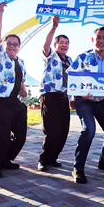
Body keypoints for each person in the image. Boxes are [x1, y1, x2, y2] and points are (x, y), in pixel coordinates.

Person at [68, 26, 104, 184]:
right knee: (89, 130)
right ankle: (78, 168)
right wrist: (73, 97)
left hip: (101, 102)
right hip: (84, 101)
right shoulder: (83, 57)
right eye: (98, 37)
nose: (101, 40)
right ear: (93, 39)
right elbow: (72, 77)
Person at [0, 2, 28, 178]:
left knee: (21, 136)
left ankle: (5, 159)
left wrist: (23, 87)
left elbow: (20, 78)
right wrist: (0, 13)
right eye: (9, 43)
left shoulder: (21, 61)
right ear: (4, 45)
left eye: (15, 44)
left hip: (15, 103)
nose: (12, 46)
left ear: (19, 46)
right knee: (2, 134)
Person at [38, 16, 72, 172]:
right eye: (61, 43)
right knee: (52, 130)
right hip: (50, 95)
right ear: (55, 44)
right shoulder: (51, 56)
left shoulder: (70, 60)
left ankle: (53, 158)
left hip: (64, 97)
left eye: (66, 43)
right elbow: (45, 44)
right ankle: (44, 160)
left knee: (63, 131)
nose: (64, 45)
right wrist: (53, 27)